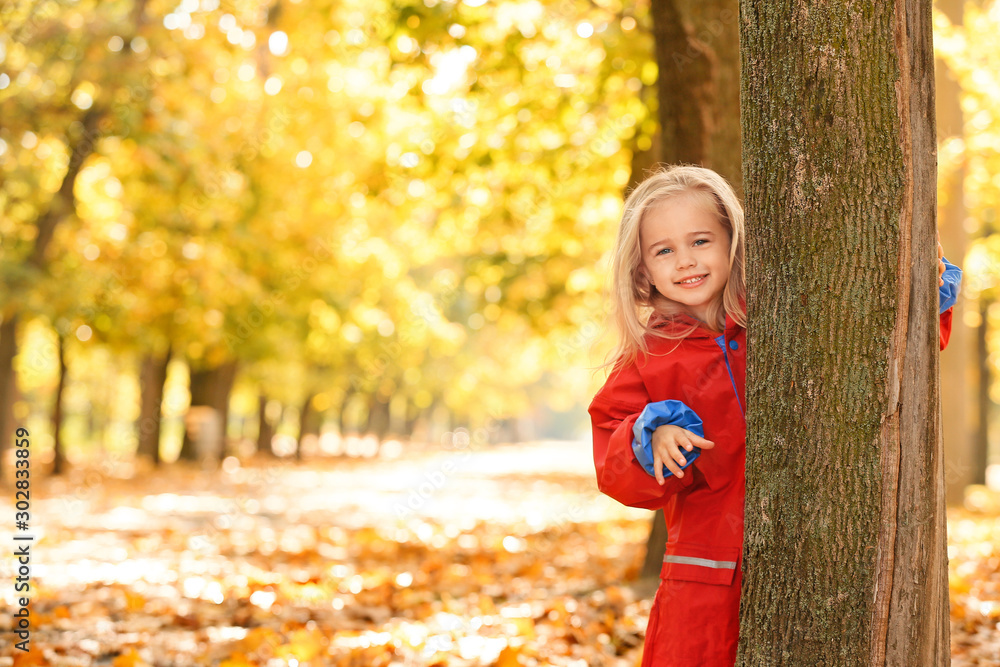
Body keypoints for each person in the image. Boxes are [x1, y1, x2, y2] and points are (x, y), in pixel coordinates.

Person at [587, 164, 962, 666]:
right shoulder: (647, 357)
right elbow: (613, 456)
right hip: (703, 575)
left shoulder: (781, 316)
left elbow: (874, 357)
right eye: (664, 250)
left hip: (813, 559)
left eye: (701, 241)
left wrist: (920, 293)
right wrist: (646, 438)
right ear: (642, 269)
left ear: (733, 243)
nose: (685, 261)